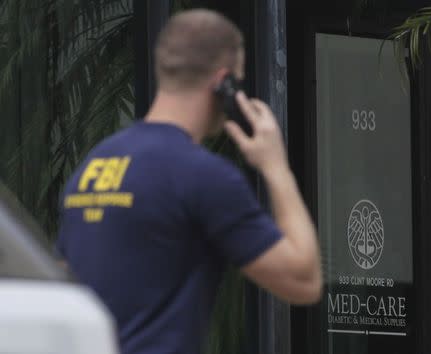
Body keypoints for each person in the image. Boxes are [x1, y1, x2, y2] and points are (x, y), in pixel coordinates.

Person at [56, 8, 322, 354]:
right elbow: (303, 280)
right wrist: (276, 167)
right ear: (223, 83)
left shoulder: (92, 167)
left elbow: (61, 277)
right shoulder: (203, 175)